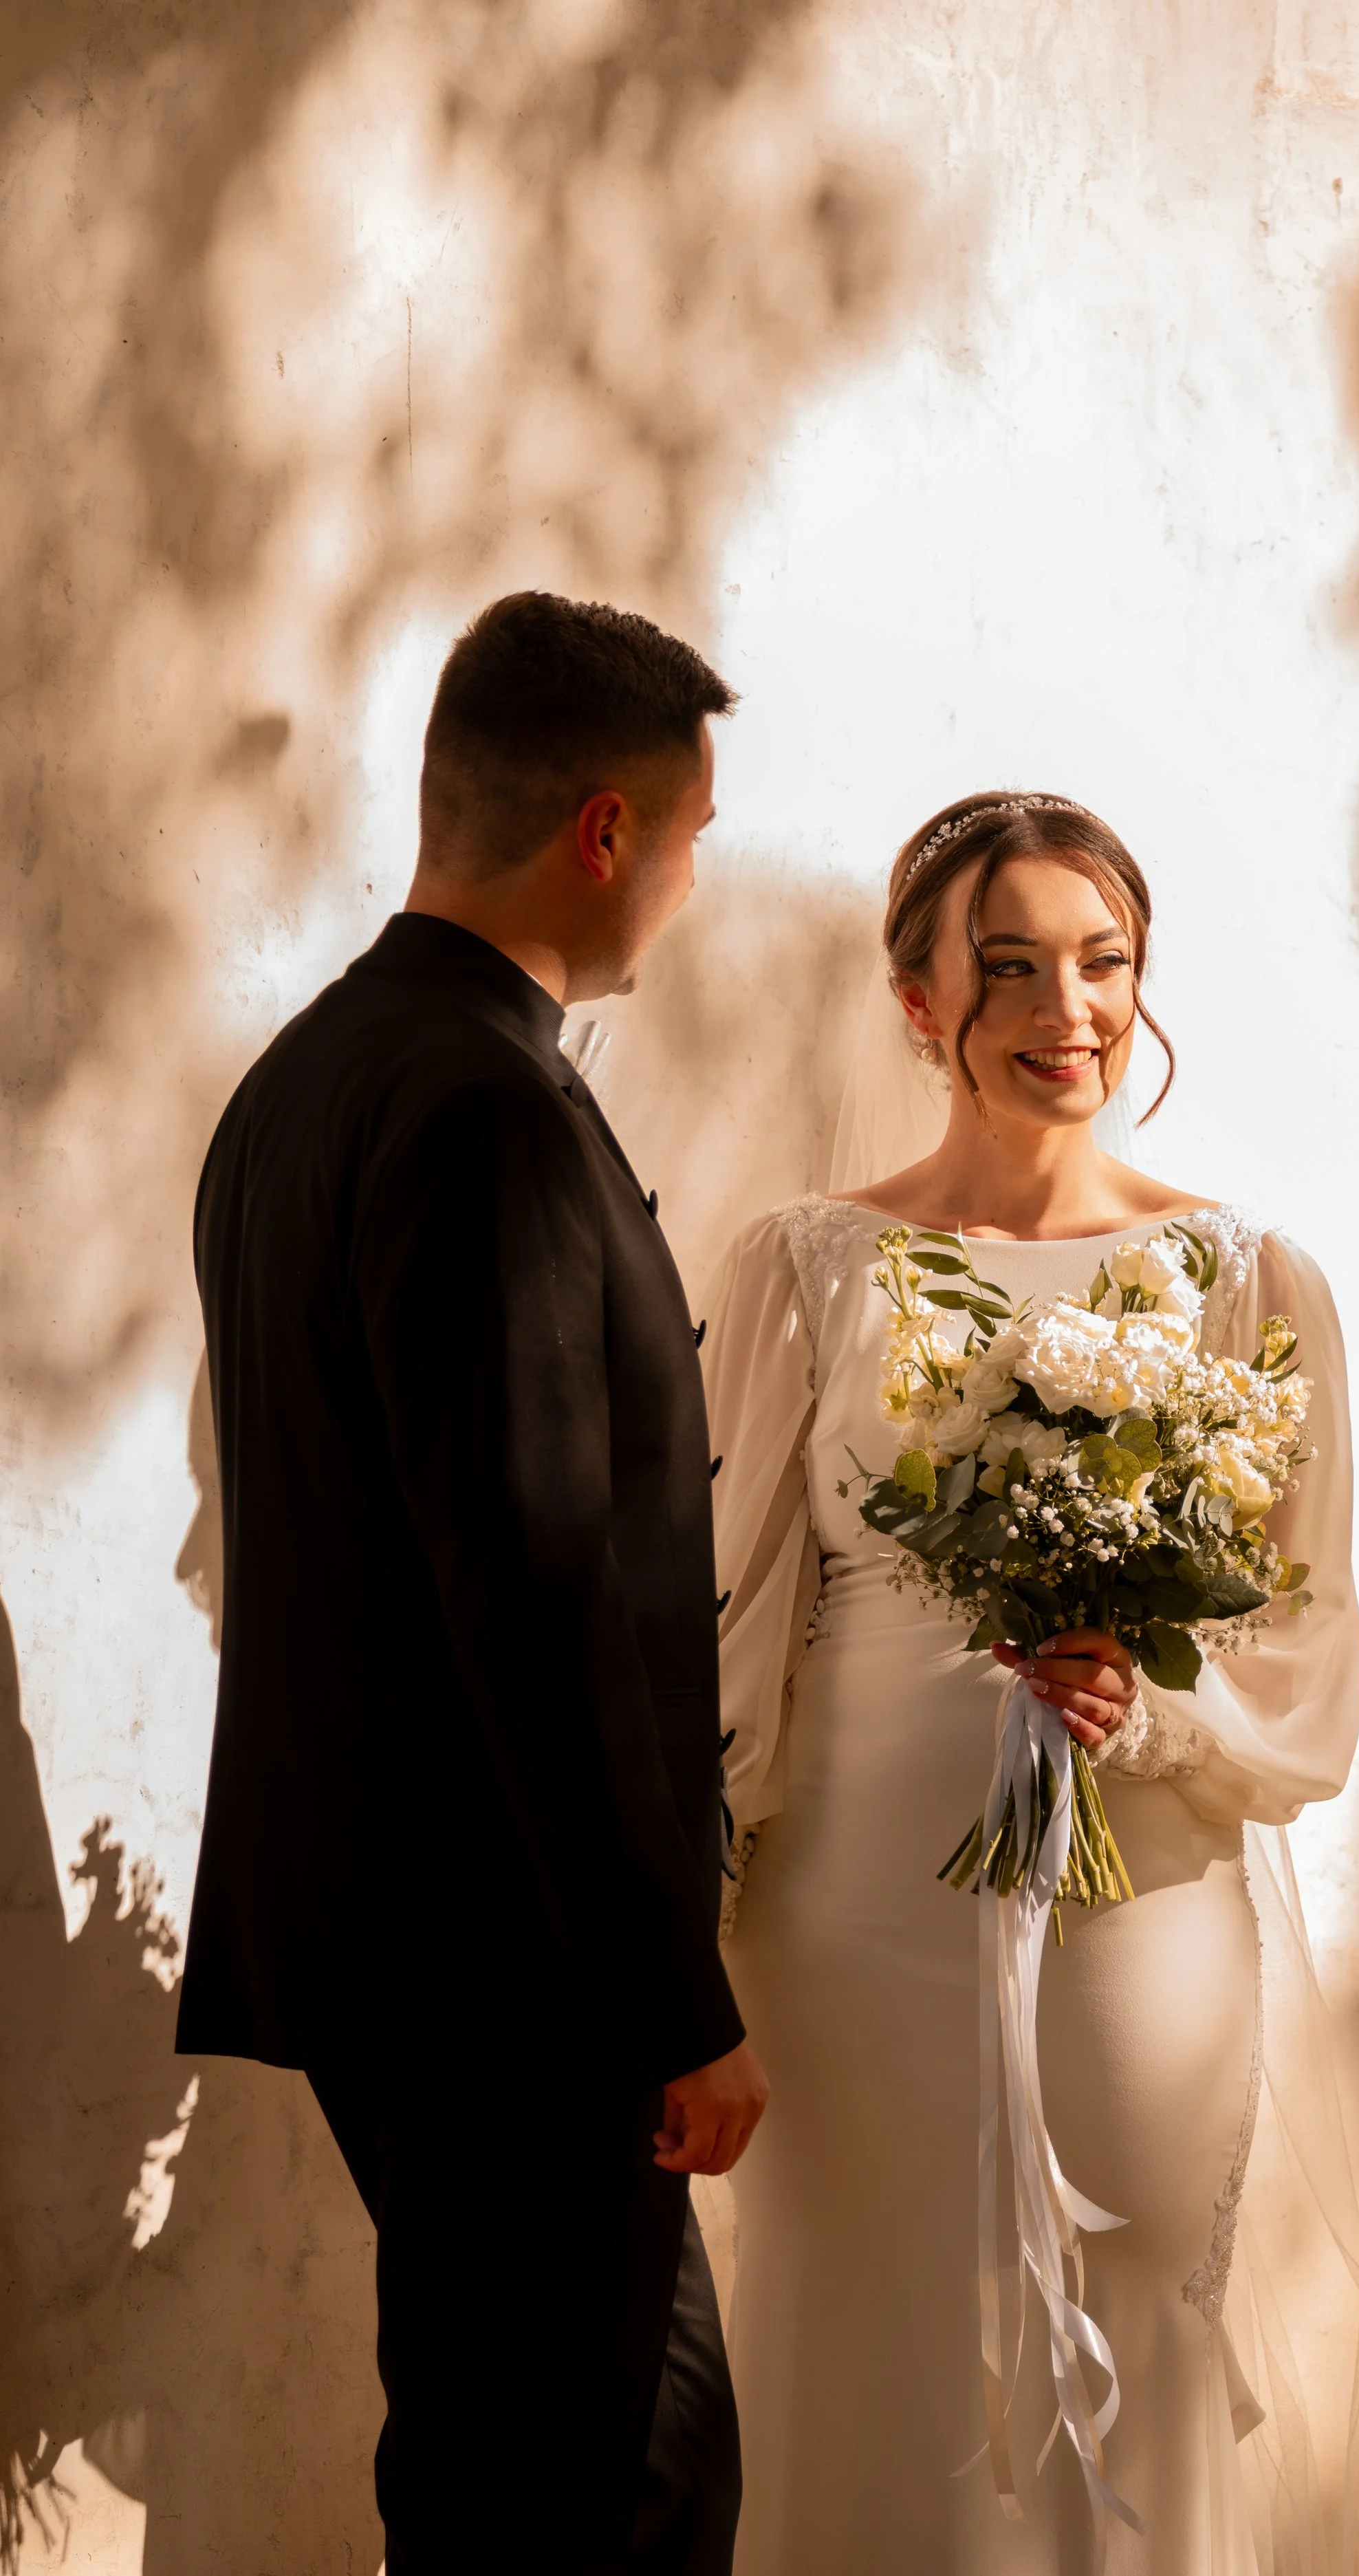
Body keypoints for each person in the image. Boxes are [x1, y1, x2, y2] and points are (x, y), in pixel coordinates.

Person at [701, 792, 1359, 2574]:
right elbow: (716, 1632)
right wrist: (677, 1938)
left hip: (1139, 1935)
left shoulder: (1247, 1280)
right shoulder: (805, 1271)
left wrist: (1155, 1709)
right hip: (846, 1930)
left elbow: (1310, 1642)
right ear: (913, 994)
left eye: (1101, 963)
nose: (1065, 1009)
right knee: (859, 2363)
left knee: (1125, 2345)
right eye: (1007, 965)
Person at [178, 592, 769, 2575]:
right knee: (605, 2492)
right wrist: (668, 1997)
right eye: (689, 843)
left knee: (520, 2468)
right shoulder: (490, 1105)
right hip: (504, 1951)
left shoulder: (301, 1086)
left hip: (395, 1928)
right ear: (604, 830)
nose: (686, 894)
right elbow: (533, 1584)